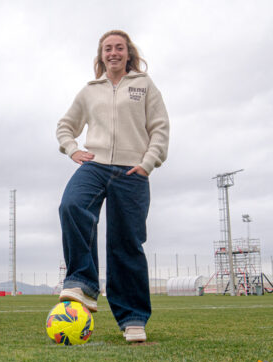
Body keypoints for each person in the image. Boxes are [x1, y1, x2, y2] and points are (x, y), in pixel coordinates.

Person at [56, 30, 169, 343]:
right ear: (101, 55)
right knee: (72, 205)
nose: (114, 52)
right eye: (108, 48)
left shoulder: (144, 85)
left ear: (128, 53)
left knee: (125, 242)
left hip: (132, 169)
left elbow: (159, 128)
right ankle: (83, 283)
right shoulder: (90, 90)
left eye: (119, 47)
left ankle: (132, 318)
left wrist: (148, 163)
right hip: (95, 163)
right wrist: (72, 148)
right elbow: (65, 125)